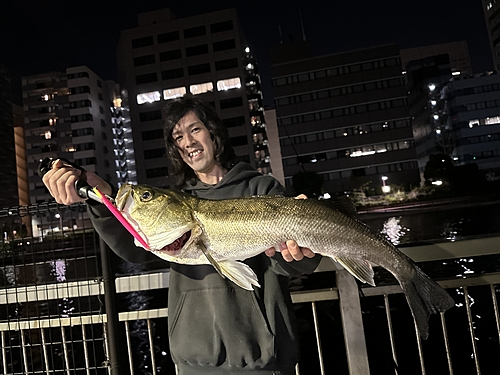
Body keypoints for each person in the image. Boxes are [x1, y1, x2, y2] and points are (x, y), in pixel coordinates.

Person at [43, 95, 321, 374]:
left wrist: (297, 255)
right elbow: (135, 248)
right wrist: (98, 195)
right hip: (193, 362)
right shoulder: (177, 203)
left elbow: (293, 264)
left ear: (214, 133)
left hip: (261, 361)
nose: (187, 141)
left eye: (195, 129)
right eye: (178, 136)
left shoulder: (261, 189)